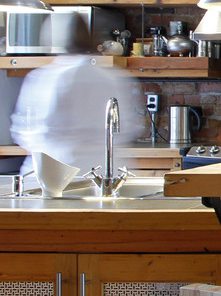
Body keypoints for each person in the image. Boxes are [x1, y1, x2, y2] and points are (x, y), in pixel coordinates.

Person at [10, 14, 140, 175]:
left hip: (56, 170)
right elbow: (127, 127)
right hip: (103, 168)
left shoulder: (45, 78)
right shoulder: (112, 78)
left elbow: (31, 131)